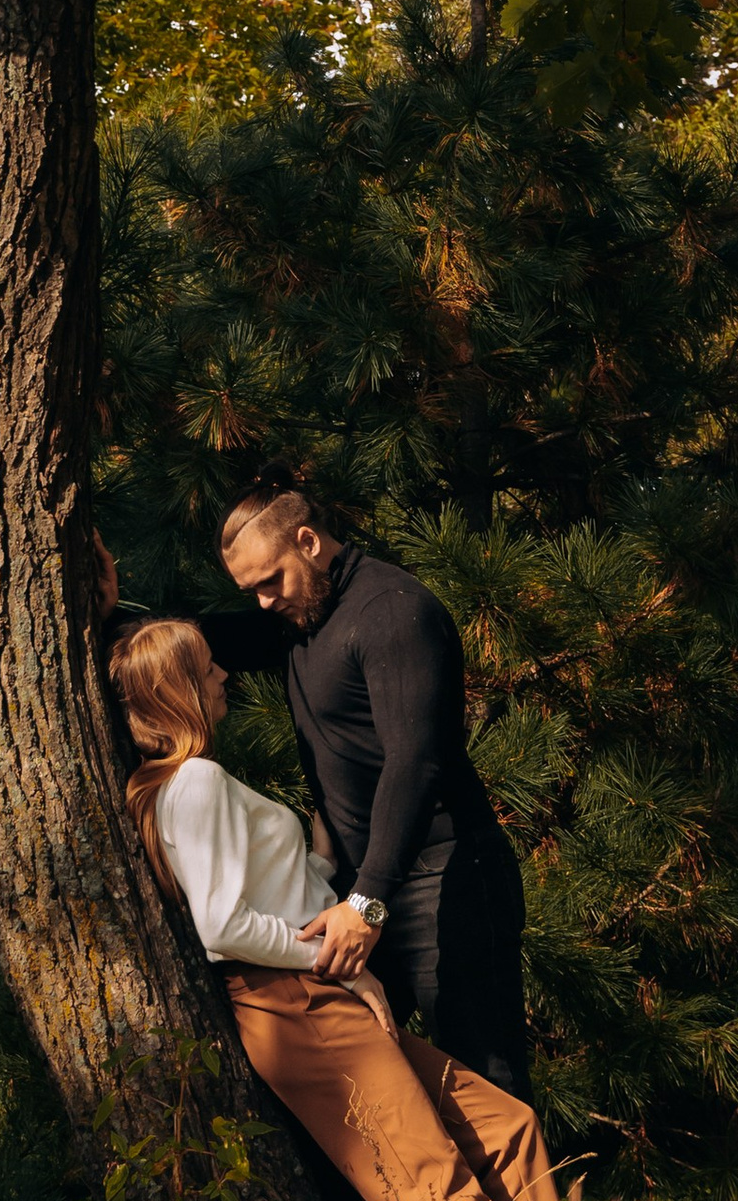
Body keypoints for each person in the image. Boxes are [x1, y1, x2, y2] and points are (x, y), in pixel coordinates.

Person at [96, 471, 533, 1099]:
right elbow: (186, 646)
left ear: (307, 541)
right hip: (358, 894)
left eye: (270, 582)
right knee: (371, 1090)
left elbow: (417, 764)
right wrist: (111, 613)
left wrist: (368, 902)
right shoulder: (297, 617)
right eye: (251, 591)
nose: (265, 602)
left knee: (488, 1084)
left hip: (445, 882)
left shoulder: (391, 611)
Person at [107, 615, 560, 1201]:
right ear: (180, 691)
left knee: (507, 1130)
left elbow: (259, 895)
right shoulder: (196, 780)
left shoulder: (183, 783)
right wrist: (339, 959)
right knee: (430, 1183)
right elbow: (220, 926)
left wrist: (317, 864)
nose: (223, 672)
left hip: (308, 990)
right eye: (206, 667)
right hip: (298, 1001)